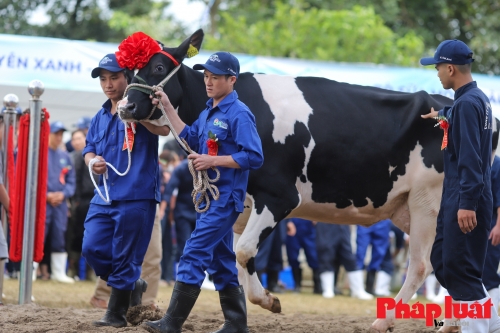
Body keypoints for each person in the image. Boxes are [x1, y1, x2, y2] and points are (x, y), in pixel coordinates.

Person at [143, 51, 264, 333]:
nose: (208, 82)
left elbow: (255, 156)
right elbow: (189, 137)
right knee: (221, 261)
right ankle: (236, 324)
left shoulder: (240, 113)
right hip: (212, 199)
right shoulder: (209, 110)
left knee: (193, 252)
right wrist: (168, 106)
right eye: (207, 76)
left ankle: (171, 323)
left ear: (231, 80)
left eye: (215, 77)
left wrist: (212, 161)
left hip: (225, 199)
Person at [81, 53, 169, 327]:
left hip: (137, 193)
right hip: (104, 195)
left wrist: (136, 116)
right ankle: (132, 283)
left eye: (114, 77)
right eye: (104, 79)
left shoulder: (144, 107)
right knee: (91, 247)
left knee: (126, 255)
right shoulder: (98, 116)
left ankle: (116, 314)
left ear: (127, 77)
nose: (108, 84)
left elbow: (165, 130)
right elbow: (88, 149)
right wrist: (92, 161)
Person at [421, 39, 500, 332]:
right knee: (445, 260)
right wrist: (441, 115)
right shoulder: (475, 100)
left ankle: (477, 328)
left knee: (460, 269)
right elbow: (462, 118)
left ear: (450, 68)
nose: (437, 73)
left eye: (438, 67)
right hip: (467, 193)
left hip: (466, 196)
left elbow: (469, 157)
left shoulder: (467, 104)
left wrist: (467, 204)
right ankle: (491, 324)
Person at [44, 121, 76, 283]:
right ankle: (31, 270)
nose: (59, 137)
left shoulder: (65, 156)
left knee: (59, 235)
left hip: (60, 203)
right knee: (38, 235)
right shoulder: (40, 153)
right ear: (48, 134)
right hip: (43, 202)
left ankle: (58, 272)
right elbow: (32, 179)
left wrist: (63, 195)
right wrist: (45, 195)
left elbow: (71, 181)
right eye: (56, 133)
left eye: (61, 134)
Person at [315, 223, 373, 300]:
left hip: (343, 222)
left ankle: (358, 290)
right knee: (326, 254)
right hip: (325, 221)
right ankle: (328, 290)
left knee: (349, 256)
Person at [284, 218, 321, 293]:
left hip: (309, 226)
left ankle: (317, 286)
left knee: (313, 257)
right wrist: (288, 221)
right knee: (293, 257)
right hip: (294, 225)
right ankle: (297, 285)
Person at [356, 219, 392, 295]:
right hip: (365, 217)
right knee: (360, 252)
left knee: (378, 254)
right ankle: (357, 288)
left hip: (383, 218)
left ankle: (370, 287)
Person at [484, 155, 500, 310]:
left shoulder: (496, 163)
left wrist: (499, 227)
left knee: (489, 272)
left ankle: (492, 314)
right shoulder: (470, 158)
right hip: (470, 227)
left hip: (491, 226)